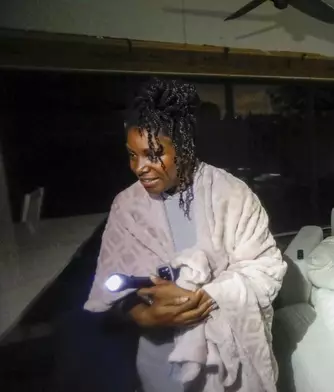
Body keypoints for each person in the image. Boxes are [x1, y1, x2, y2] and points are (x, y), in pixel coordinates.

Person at [84, 78, 287, 392]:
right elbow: (114, 288)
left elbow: (266, 269)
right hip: (162, 361)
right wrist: (141, 315)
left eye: (153, 154)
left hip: (229, 363)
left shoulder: (232, 195)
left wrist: (210, 295)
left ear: (182, 146)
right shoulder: (127, 206)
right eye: (132, 155)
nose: (140, 167)